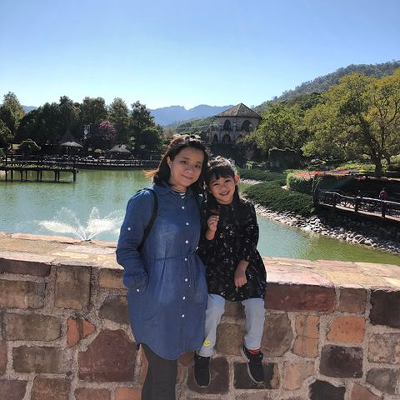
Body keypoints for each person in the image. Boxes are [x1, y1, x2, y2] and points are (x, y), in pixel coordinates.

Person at [116, 135, 209, 400]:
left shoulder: (196, 201)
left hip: (186, 300)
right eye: (184, 161)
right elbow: (126, 248)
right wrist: (145, 286)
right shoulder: (147, 199)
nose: (190, 169)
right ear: (169, 161)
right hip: (155, 304)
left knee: (159, 376)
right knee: (165, 380)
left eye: (198, 165)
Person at [194, 157, 267, 387]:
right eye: (216, 184)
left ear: (236, 180)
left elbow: (251, 238)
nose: (223, 187)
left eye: (227, 181)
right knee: (214, 306)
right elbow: (203, 247)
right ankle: (203, 353)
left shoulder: (246, 207)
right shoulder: (206, 209)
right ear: (208, 188)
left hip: (246, 264)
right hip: (217, 265)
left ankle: (252, 349)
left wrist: (242, 268)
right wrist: (210, 231)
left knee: (256, 305)